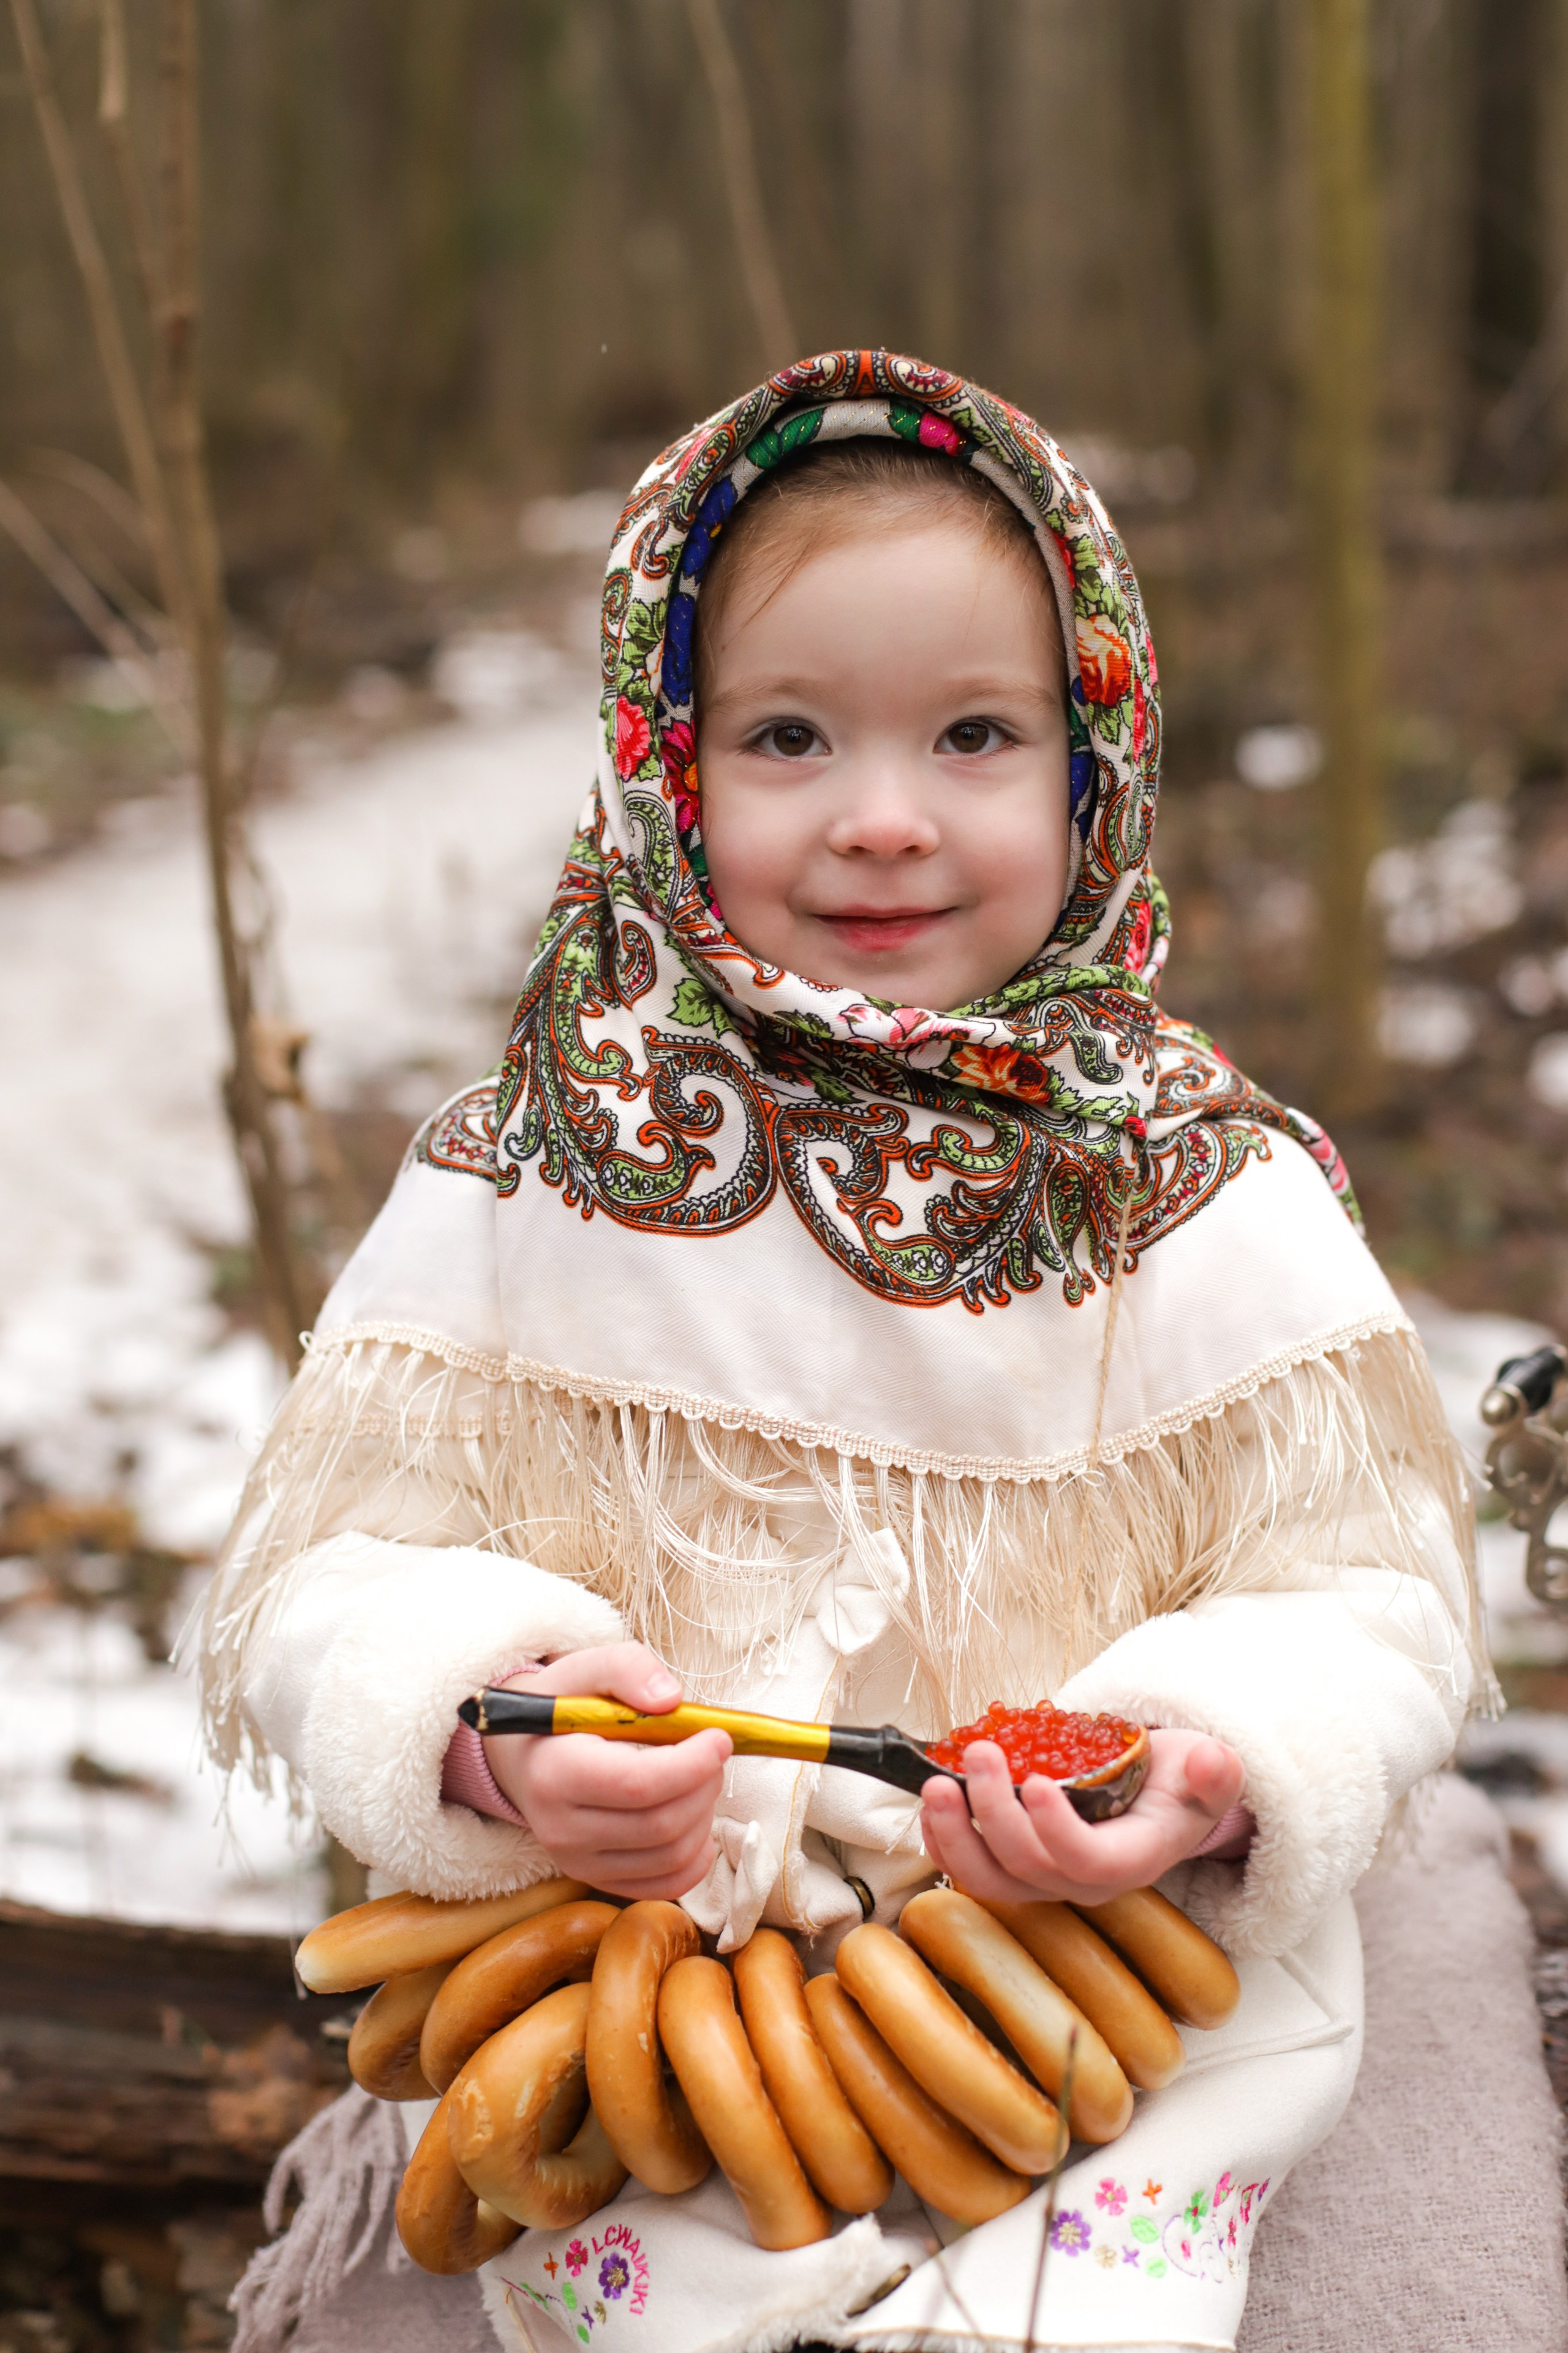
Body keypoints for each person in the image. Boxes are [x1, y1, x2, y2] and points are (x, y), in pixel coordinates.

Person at [204, 352, 1487, 2353]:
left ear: (1091, 765)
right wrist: (491, 1717)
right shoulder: (533, 1163)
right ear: (662, 761)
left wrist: (1200, 1768)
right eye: (792, 737)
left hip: (1087, 1946)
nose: (886, 821)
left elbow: (1366, 1596)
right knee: (625, 2181)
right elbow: (322, 1575)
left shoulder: (1191, 1187)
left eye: (974, 735)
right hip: (651, 1943)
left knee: (1208, 2106)